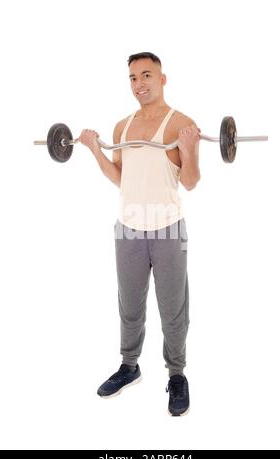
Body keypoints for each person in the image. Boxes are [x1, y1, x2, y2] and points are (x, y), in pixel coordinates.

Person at [79, 52, 201, 417]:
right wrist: (93, 150)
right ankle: (129, 366)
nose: (139, 83)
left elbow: (191, 183)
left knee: (173, 308)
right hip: (128, 228)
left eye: (146, 75)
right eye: (132, 78)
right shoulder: (122, 127)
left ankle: (177, 374)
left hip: (168, 228)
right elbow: (121, 178)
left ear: (163, 79)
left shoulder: (181, 123)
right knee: (129, 304)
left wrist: (190, 150)